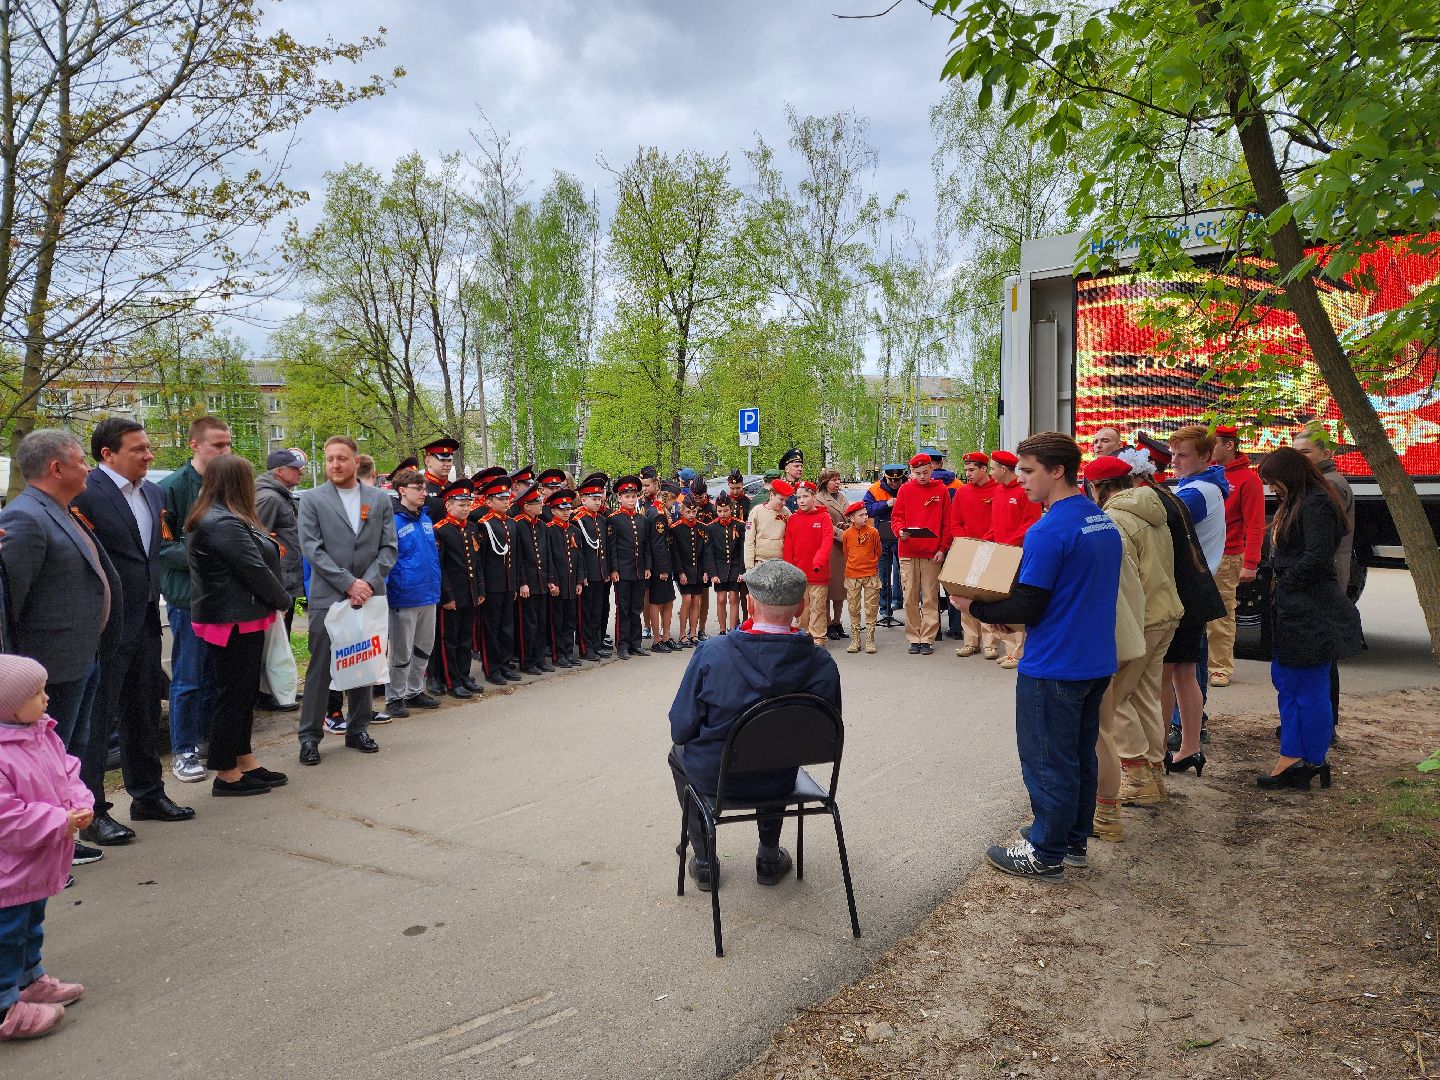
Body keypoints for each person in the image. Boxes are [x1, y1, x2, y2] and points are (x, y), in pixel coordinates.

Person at [955, 432, 1122, 882]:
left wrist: (978, 608)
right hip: (1095, 657)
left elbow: (1028, 604)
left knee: (1048, 758)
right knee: (1079, 754)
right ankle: (1071, 842)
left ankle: (1045, 851)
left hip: (1055, 662)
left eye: (1028, 471)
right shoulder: (1100, 519)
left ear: (1057, 471)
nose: (1020, 479)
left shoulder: (1049, 529)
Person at [667, 558, 841, 891]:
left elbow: (681, 729)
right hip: (780, 780)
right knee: (776, 749)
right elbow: (827, 734)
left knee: (678, 754)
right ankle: (769, 856)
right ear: (802, 606)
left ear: (748, 602)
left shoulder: (711, 653)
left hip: (717, 779)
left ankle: (704, 860)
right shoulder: (821, 663)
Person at [0, 431, 122, 869]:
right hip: (47, 666)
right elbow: (10, 604)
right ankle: (42, 856)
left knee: (65, 756)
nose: (87, 468)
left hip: (80, 656)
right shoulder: (26, 518)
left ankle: (61, 843)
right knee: (41, 766)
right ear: (56, 468)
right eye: (80, 461)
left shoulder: (62, 512)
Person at [74, 418, 195, 845]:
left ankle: (147, 794)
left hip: (146, 617)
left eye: (148, 447)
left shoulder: (153, 492)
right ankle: (93, 813)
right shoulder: (86, 492)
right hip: (106, 625)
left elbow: (152, 554)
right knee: (98, 719)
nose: (149, 455)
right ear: (108, 454)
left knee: (142, 709)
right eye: (139, 449)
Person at [183, 455, 295, 797]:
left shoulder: (227, 516)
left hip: (239, 616)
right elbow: (253, 568)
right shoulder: (221, 522)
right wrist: (283, 600)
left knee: (243, 694)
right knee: (232, 696)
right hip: (231, 620)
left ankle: (244, 760)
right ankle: (226, 772)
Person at [1083, 454, 1182, 834]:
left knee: (1112, 701)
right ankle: (1153, 774)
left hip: (1140, 620)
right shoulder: (1153, 509)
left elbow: (1121, 579)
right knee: (1144, 697)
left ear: (1099, 488)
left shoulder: (1115, 520)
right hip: (1166, 614)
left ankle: (1138, 774)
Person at [1255, 448, 1363, 790]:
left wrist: (1285, 582)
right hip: (1298, 605)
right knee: (1289, 682)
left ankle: (1304, 758)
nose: (1272, 489)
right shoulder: (1304, 500)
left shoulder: (1315, 503)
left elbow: (1318, 556)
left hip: (1310, 608)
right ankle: (1300, 756)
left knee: (1306, 686)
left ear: (1290, 475)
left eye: (1273, 482)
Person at [0, 655, 93, 1042]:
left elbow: (67, 771)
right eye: (36, 693)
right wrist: (59, 821)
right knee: (6, 934)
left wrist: (79, 802)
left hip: (35, 864)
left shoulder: (42, 732)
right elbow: (7, 818)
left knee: (30, 923)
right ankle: (6, 1007)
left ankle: (29, 978)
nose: (47, 698)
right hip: (9, 871)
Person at [296, 436, 398, 765]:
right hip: (330, 598)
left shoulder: (378, 500)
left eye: (342, 458)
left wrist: (366, 583)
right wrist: (347, 583)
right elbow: (313, 549)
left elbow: (388, 547)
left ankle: (358, 729)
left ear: (356, 462)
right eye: (329, 459)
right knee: (321, 668)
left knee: (363, 664)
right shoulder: (312, 499)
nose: (335, 465)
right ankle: (310, 736)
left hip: (368, 596)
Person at [157, 416, 232, 784]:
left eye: (228, 444)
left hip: (226, 597)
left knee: (214, 675)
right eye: (218, 445)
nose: (225, 451)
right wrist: (207, 551)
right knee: (187, 676)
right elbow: (161, 547)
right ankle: (183, 749)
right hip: (189, 597)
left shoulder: (228, 485)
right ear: (194, 446)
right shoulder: (171, 488)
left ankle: (207, 740)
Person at [1165, 425, 1230, 761]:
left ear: (1205, 457)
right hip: (1194, 587)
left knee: (1173, 672)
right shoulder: (1202, 485)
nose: (1174, 461)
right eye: (1172, 454)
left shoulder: (1198, 491)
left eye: (1182, 455)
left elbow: (1158, 514)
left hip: (1185, 589)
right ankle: (1189, 742)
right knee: (1184, 671)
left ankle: (1169, 742)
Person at [1206, 424, 1264, 688]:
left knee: (1221, 614)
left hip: (1227, 556)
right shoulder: (1206, 474)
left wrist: (1250, 562)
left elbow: (1255, 524)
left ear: (1229, 445)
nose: (1208, 450)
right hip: (1203, 554)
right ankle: (1199, 663)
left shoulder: (1248, 480)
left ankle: (1219, 667)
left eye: (1213, 444)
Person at [383, 467, 442, 717]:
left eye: (425, 489)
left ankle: (414, 689)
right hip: (404, 595)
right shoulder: (392, 521)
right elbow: (388, 559)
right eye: (419, 489)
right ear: (402, 491)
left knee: (423, 646)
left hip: (429, 593)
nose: (424, 493)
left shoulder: (425, 518)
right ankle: (394, 696)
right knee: (401, 649)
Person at [254, 448, 307, 711]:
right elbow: (257, 539)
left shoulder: (281, 496)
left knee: (281, 637)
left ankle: (277, 689)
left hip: (286, 577)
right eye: (295, 468)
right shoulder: (269, 499)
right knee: (271, 640)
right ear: (279, 471)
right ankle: (267, 694)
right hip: (277, 579)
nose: (300, 472)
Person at [890, 453, 952, 656]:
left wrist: (942, 548)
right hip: (908, 551)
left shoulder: (941, 490)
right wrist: (900, 531)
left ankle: (927, 638)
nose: (922, 476)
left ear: (932, 469)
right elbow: (896, 517)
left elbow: (946, 523)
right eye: (917, 473)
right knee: (909, 596)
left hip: (932, 552)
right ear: (912, 472)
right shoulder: (905, 490)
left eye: (925, 472)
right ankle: (913, 636)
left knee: (930, 596)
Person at [988, 450, 1043, 668]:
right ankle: (1012, 650)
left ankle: (1020, 653)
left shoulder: (1023, 491)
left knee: (1019, 604)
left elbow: (1030, 524)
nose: (990, 472)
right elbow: (995, 524)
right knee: (1006, 602)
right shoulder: (998, 491)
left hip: (1019, 555)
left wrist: (1008, 544)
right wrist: (985, 542)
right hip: (1003, 555)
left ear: (1003, 469)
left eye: (992, 468)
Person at [432, 479, 483, 698]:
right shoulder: (441, 530)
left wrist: (480, 589)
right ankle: (452, 680)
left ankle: (464, 675)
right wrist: (447, 595)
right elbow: (440, 567)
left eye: (467, 504)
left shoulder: (472, 528)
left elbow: (477, 561)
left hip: (470, 592)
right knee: (449, 639)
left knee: (465, 638)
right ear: (448, 506)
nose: (466, 508)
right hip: (452, 594)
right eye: (461, 505)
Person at [949, 451, 999, 658]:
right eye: (966, 470)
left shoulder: (998, 490)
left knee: (988, 597)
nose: (967, 474)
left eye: (971, 470)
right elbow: (955, 521)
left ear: (984, 469)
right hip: (967, 549)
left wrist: (984, 541)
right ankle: (971, 641)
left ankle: (991, 643)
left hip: (990, 549)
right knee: (965, 595)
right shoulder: (962, 492)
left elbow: (999, 521)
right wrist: (964, 542)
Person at [473, 477, 521, 684]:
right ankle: (491, 668)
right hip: (492, 586)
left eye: (506, 497)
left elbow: (516, 556)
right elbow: (480, 561)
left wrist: (517, 582)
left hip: (509, 584)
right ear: (489, 501)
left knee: (506, 627)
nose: (505, 501)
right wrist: (481, 587)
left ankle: (504, 663)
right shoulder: (484, 525)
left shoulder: (511, 523)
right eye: (500, 498)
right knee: (491, 629)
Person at [783, 480, 834, 647]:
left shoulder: (824, 517)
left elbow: (827, 542)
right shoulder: (793, 519)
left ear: (814, 497)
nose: (802, 501)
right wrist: (789, 569)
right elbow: (788, 546)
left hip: (818, 573)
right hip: (799, 573)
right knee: (802, 609)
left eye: (805, 496)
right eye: (799, 497)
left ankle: (818, 638)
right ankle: (803, 636)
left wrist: (819, 561)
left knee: (818, 607)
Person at [607, 476, 651, 659]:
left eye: (634, 497)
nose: (631, 500)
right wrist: (614, 569)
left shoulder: (642, 519)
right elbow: (612, 547)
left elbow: (646, 545)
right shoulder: (614, 519)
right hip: (623, 571)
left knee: (636, 608)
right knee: (623, 608)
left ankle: (636, 643)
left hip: (639, 569)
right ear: (619, 498)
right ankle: (622, 644)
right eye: (627, 497)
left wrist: (647, 566)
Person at [511, 485, 552, 675]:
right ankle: (527, 661)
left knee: (542, 622)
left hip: (542, 582)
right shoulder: (518, 525)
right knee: (528, 624)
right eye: (537, 502)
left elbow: (547, 555)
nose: (541, 504)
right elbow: (518, 557)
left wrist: (551, 579)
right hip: (528, 583)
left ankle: (539, 658)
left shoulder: (542, 525)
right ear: (526, 506)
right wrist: (522, 582)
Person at [572, 475, 612, 660]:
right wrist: (582, 575)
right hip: (587, 575)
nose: (598, 502)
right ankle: (585, 647)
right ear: (583, 499)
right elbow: (578, 552)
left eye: (599, 498)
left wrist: (606, 571)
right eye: (593, 499)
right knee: (585, 614)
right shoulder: (577, 520)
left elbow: (604, 548)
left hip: (600, 573)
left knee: (597, 611)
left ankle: (596, 644)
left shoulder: (601, 520)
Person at [545, 488, 584, 667]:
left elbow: (579, 557)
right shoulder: (549, 530)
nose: (566, 512)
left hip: (571, 583)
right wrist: (552, 581)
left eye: (568, 509)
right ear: (553, 510)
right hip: (559, 582)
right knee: (557, 620)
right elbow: (549, 558)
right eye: (562, 509)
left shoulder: (574, 530)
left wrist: (579, 580)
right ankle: (558, 653)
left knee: (570, 619)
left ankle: (568, 652)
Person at [863, 464, 906, 622]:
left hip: (902, 536)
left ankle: (903, 602)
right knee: (883, 575)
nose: (894, 483)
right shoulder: (875, 489)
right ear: (885, 477)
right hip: (882, 537)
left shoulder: (907, 487)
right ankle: (885, 609)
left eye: (898, 480)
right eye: (891, 480)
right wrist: (886, 504)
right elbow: (866, 509)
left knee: (905, 575)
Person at [814, 470, 850, 642]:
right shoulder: (819, 498)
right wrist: (844, 535)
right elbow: (825, 523)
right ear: (825, 481)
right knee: (828, 588)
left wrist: (849, 526)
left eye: (838, 479)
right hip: (830, 546)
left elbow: (849, 515)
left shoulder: (842, 497)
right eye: (833, 480)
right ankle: (827, 623)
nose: (837, 482)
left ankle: (837, 621)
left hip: (844, 548)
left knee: (840, 589)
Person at [841, 501, 880, 654]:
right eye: (861, 515)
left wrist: (871, 564)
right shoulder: (846, 534)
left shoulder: (873, 532)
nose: (865, 517)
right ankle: (856, 639)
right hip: (852, 575)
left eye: (866, 514)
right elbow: (846, 553)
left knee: (871, 608)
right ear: (852, 518)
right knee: (853, 607)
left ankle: (870, 639)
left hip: (871, 574)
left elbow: (878, 552)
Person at [705, 494, 745, 634]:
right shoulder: (711, 527)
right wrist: (713, 573)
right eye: (720, 511)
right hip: (719, 566)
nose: (723, 514)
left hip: (735, 566)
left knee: (734, 597)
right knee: (721, 599)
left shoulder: (739, 525)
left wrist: (742, 571)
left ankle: (733, 628)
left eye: (726, 510)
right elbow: (709, 552)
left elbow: (742, 550)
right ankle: (722, 630)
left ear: (731, 509)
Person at [644, 482, 677, 651]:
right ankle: (657, 639)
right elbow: (658, 543)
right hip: (660, 566)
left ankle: (666, 636)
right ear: (668, 498)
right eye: (673, 501)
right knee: (657, 602)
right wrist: (663, 568)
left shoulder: (660, 511)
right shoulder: (658, 515)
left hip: (663, 564)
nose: (674, 505)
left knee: (668, 600)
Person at [744, 479, 789, 571]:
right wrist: (749, 566)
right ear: (771, 495)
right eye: (781, 499)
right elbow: (749, 540)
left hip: (780, 564)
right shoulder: (757, 511)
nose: (783, 503)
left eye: (785, 500)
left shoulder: (786, 512)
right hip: (760, 563)